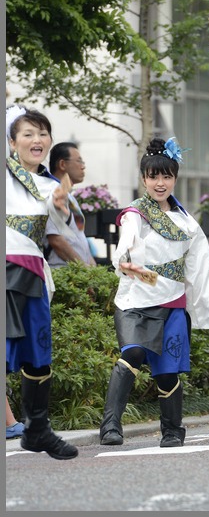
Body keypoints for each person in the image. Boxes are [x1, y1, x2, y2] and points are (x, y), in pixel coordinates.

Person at [100, 137, 209, 448]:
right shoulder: (136, 213)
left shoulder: (189, 225)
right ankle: (110, 427)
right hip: (135, 301)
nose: (160, 183)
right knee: (132, 354)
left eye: (166, 176)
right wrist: (127, 262)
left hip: (172, 304)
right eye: (153, 176)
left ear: (175, 177)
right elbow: (128, 239)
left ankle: (172, 431)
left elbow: (200, 273)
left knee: (167, 373)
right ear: (144, 179)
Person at [6, 105, 77, 459]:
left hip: (33, 273)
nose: (37, 140)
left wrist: (61, 203)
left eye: (42, 133)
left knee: (38, 354)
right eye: (28, 134)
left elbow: (59, 224)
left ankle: (36, 429)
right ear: (12, 141)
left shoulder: (50, 184)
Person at [45, 142, 96, 267]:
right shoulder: (54, 193)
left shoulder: (69, 197)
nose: (83, 167)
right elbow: (56, 240)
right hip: (63, 274)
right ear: (62, 164)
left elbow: (78, 238)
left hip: (76, 274)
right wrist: (84, 270)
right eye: (79, 161)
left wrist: (93, 270)